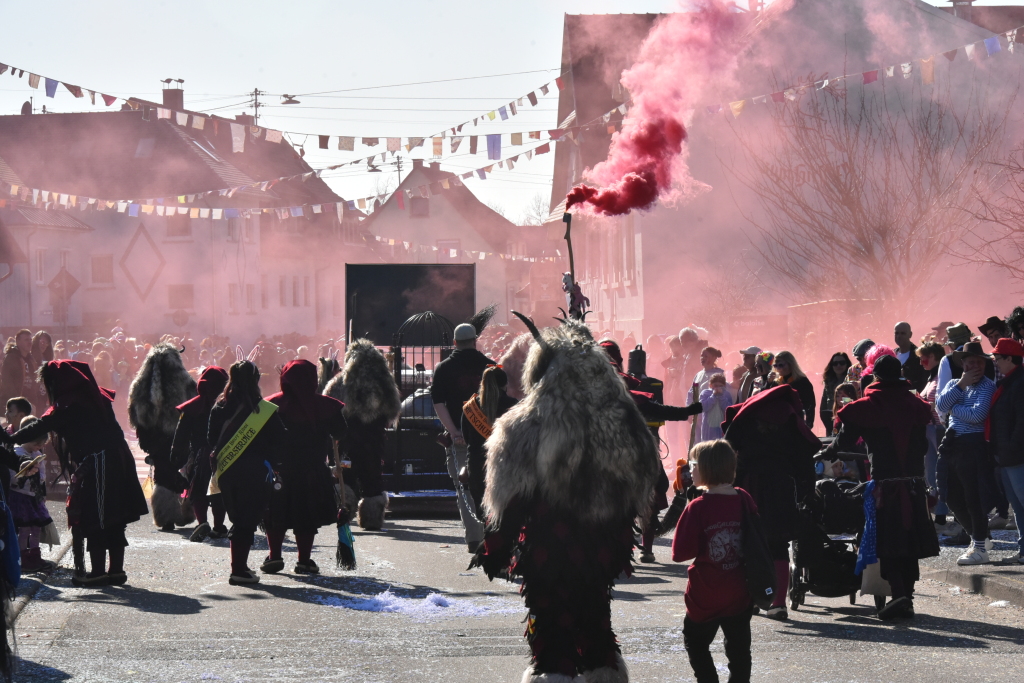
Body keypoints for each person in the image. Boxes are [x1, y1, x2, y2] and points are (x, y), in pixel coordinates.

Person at [472, 315, 659, 683]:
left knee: (551, 623)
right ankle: (601, 670)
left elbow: (514, 499)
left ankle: (556, 674)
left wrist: (497, 545)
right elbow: (638, 488)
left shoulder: (527, 421)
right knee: (594, 614)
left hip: (549, 546)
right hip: (600, 545)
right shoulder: (624, 419)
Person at [4, 360, 149, 586]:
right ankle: (116, 571)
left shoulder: (71, 403)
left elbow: (41, 425)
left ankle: (99, 572)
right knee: (114, 516)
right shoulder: (93, 397)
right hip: (116, 459)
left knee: (97, 516)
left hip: (99, 462)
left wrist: (11, 439)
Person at [819, 355, 939, 619]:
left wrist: (827, 453)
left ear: (876, 378)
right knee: (909, 540)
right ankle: (905, 595)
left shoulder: (867, 406)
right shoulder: (917, 405)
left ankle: (900, 596)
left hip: (886, 484)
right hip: (914, 483)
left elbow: (845, 441)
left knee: (890, 540)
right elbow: (922, 446)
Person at [723, 384, 819, 621]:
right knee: (777, 544)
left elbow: (728, 446)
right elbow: (804, 457)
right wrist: (807, 490)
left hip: (748, 484)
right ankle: (777, 603)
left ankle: (752, 597)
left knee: (748, 543)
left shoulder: (745, 416)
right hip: (781, 486)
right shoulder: (790, 419)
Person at [672, 439, 754, 683]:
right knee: (739, 652)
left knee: (696, 645)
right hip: (740, 590)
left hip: (705, 594)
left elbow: (680, 553)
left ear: (706, 468)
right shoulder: (744, 498)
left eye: (693, 464)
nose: (690, 470)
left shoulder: (698, 507)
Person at [208, 360, 287, 586]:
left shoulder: (219, 406)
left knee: (237, 518)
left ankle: (240, 567)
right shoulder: (263, 409)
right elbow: (279, 441)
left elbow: (210, 440)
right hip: (255, 472)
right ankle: (239, 570)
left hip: (227, 471)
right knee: (246, 520)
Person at [262, 360, 345, 575]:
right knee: (307, 515)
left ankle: (274, 556)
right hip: (312, 470)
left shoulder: (269, 405)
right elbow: (341, 433)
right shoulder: (328, 406)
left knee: (276, 514)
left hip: (279, 471)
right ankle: (304, 560)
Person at [430, 322, 495, 551]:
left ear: (454, 343)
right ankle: (492, 537)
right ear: (475, 341)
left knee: (464, 489)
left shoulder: (443, 368)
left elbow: (438, 403)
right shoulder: (490, 366)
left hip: (460, 439)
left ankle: (475, 539)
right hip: (488, 437)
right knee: (491, 487)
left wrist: (455, 431)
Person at [325, 339, 401, 531]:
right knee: (373, 477)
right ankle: (372, 518)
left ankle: (344, 511)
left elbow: (328, 405)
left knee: (345, 474)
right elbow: (393, 411)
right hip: (373, 440)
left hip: (347, 439)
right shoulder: (384, 383)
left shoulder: (341, 382)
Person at [936, 341, 997, 565]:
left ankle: (979, 547)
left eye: (979, 362)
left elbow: (978, 415)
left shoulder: (988, 386)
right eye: (971, 362)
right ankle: (979, 538)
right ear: (963, 364)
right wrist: (961, 385)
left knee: (974, 498)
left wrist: (954, 409)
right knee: (950, 495)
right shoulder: (955, 383)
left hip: (974, 445)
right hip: (952, 445)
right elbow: (940, 406)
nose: (975, 366)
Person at [128, 344, 198, 531]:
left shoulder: (140, 383)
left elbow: (135, 413)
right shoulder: (184, 381)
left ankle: (166, 514)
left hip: (153, 435)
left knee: (162, 471)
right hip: (178, 434)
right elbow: (194, 404)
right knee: (178, 468)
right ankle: (182, 509)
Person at [170, 366, 230, 543]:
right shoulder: (229, 406)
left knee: (198, 490)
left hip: (199, 455)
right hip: (227, 453)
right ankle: (218, 526)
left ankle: (202, 522)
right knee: (219, 491)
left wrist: (176, 457)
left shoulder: (191, 408)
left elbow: (180, 435)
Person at [461, 366, 518, 519]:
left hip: (477, 466)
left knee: (484, 517)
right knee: (506, 516)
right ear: (505, 385)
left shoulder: (470, 408)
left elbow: (467, 440)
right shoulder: (514, 406)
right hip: (505, 466)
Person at [988, 338, 1024, 563]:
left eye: (998, 358)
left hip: (1016, 457)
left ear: (1010, 358)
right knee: (1018, 507)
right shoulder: (1011, 382)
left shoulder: (1019, 383)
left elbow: (1021, 421)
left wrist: (1010, 449)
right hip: (1009, 457)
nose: (995, 362)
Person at [9, 417, 55, 572]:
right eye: (37, 443)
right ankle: (23, 557)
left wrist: (41, 487)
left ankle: (35, 555)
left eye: (42, 444)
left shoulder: (36, 453)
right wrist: (25, 475)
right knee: (24, 529)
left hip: (33, 495)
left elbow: (42, 475)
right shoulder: (16, 452)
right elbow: (12, 477)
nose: (39, 447)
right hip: (20, 496)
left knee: (36, 528)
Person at [916, 343, 951, 531]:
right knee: (931, 474)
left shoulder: (941, 377)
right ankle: (938, 512)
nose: (921, 362)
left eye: (925, 357)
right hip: (929, 429)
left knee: (942, 473)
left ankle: (942, 514)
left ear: (935, 356)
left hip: (939, 428)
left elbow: (938, 403)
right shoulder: (932, 378)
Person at [687, 347, 724, 444]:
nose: (702, 358)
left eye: (706, 356)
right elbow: (691, 393)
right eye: (701, 355)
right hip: (697, 415)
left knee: (707, 443)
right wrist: (689, 410)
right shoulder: (698, 374)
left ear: (713, 358)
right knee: (696, 443)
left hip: (709, 417)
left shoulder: (718, 374)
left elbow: (721, 394)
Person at [771, 350, 815, 430]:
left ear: (790, 365)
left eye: (781, 365)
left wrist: (809, 423)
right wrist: (768, 382)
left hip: (797, 421)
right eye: (775, 366)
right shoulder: (775, 382)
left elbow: (810, 404)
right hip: (779, 423)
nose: (778, 369)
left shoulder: (802, 381)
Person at [0, 330, 40, 413]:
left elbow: (35, 382)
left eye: (30, 340)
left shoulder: (31, 359)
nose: (29, 342)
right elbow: (7, 383)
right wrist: (17, 402)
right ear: (18, 341)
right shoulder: (11, 358)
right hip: (15, 405)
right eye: (26, 340)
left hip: (30, 404)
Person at [820, 352, 852, 429]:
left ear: (847, 364)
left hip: (846, 420)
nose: (838, 366)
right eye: (835, 363)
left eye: (842, 363)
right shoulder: (828, 381)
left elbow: (852, 402)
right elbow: (823, 404)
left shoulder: (852, 381)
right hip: (830, 420)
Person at [698, 374, 732, 443]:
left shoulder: (727, 394)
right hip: (708, 430)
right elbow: (703, 407)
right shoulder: (705, 393)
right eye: (715, 386)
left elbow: (728, 410)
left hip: (721, 430)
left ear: (724, 386)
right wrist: (713, 396)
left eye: (720, 386)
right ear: (710, 385)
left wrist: (721, 397)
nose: (718, 388)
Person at [894, 322, 927, 392]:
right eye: (897, 333)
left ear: (910, 335)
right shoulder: (891, 355)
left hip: (912, 399)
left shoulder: (919, 356)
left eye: (903, 333)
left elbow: (923, 383)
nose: (899, 336)